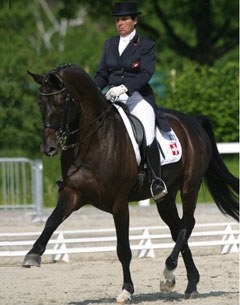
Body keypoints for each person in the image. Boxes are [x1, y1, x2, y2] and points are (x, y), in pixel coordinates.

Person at [94, 2, 168, 201]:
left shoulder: (146, 45)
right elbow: (102, 73)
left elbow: (145, 73)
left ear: (135, 20)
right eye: (117, 19)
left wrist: (125, 88)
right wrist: (94, 91)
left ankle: (155, 180)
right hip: (111, 97)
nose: (120, 23)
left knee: (148, 131)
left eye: (125, 19)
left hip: (137, 98)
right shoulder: (109, 44)